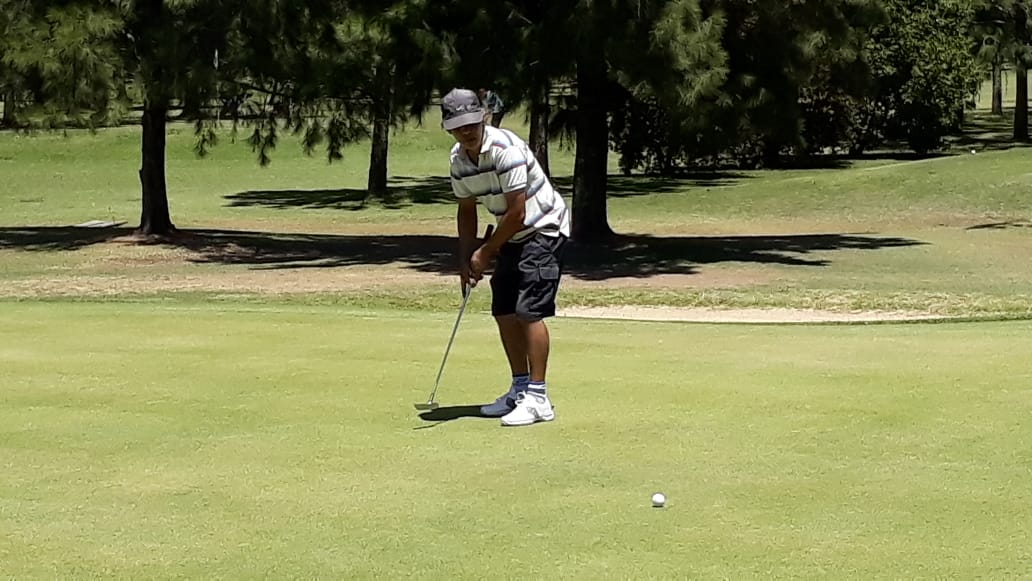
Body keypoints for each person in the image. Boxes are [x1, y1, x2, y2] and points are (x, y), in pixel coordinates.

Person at [440, 87, 570, 427]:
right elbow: (467, 209)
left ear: (483, 117)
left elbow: (517, 213)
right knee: (504, 310)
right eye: (458, 126)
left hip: (543, 227)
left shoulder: (505, 149)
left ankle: (539, 398)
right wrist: (465, 258)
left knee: (529, 311)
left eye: (472, 123)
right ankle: (520, 388)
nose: (467, 131)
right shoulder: (458, 160)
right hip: (511, 232)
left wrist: (486, 251)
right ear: (448, 127)